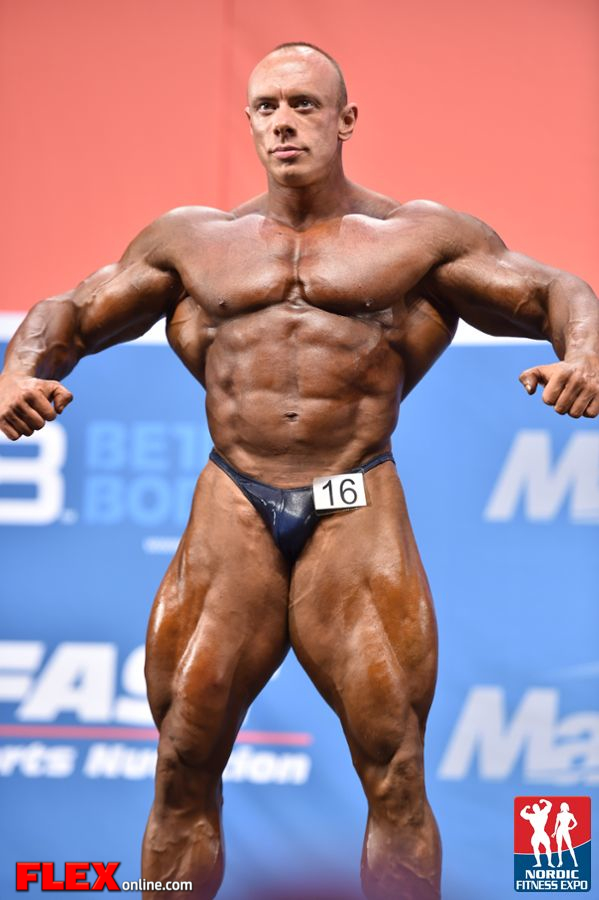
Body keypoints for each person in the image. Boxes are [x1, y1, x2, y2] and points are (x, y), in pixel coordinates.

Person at [1, 41, 598, 900]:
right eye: (267, 107)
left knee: (394, 769)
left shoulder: (417, 237)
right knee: (181, 760)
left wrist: (582, 355)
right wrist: (19, 372)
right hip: (233, 501)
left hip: (354, 500)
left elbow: (552, 291)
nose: (283, 123)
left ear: (345, 120)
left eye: (304, 105)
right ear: (248, 121)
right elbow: (74, 311)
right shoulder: (192, 241)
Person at [519, 800, 554, 868]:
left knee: (547, 847)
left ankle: (550, 863)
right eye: (534, 808)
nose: (536, 808)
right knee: (535, 848)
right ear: (533, 809)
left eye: (536, 807)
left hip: (542, 833)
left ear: (539, 807)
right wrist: (525, 808)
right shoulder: (532, 816)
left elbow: (550, 804)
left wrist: (544, 800)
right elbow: (522, 814)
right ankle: (538, 863)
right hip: (536, 834)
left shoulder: (543, 813)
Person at [552, 802, 578, 867]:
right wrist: (554, 832)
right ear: (561, 807)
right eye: (562, 806)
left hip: (566, 830)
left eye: (564, 806)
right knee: (559, 846)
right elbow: (556, 824)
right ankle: (560, 862)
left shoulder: (570, 815)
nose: (563, 807)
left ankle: (575, 861)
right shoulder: (559, 814)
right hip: (559, 830)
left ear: (567, 807)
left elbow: (575, 823)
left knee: (570, 846)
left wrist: (571, 828)